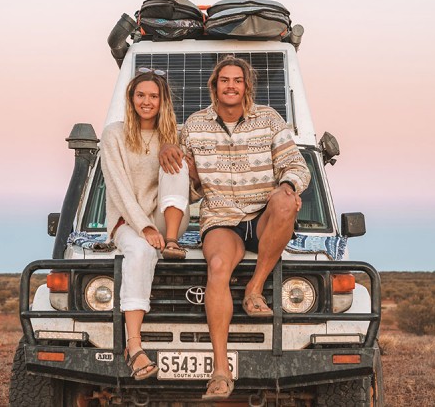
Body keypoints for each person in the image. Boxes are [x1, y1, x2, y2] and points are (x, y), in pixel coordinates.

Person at [159, 57, 310, 399]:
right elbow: (185, 185)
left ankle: (254, 289)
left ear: (246, 86)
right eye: (223, 80)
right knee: (217, 266)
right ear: (214, 86)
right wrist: (175, 155)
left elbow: (296, 165)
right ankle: (220, 372)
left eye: (237, 80)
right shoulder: (195, 126)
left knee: (286, 201)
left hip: (264, 215)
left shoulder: (270, 119)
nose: (230, 86)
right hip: (220, 217)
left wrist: (287, 185)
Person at [100, 68, 190, 380]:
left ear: (163, 100)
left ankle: (175, 240)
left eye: (153, 96)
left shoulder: (174, 135)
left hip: (167, 221)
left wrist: (173, 150)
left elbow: (192, 188)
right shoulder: (114, 134)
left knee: (176, 161)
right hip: (128, 220)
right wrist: (145, 228)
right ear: (131, 98)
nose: (147, 101)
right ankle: (134, 346)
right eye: (141, 95)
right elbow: (119, 189)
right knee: (138, 251)